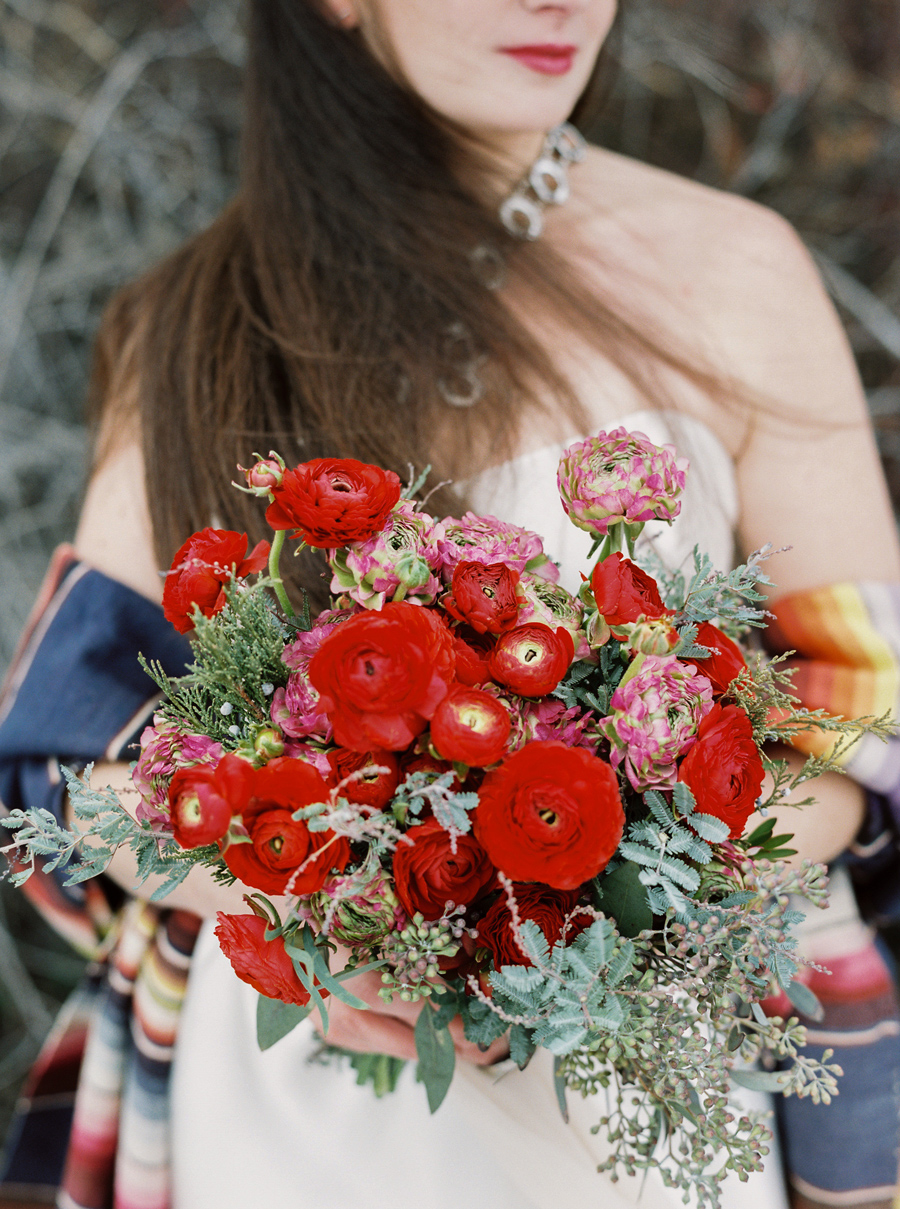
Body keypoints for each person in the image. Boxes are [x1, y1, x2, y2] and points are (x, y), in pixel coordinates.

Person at [1, 1, 899, 1207]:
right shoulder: (202, 322)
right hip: (298, 1113)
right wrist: (348, 914)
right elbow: (77, 764)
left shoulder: (734, 268)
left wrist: (592, 902)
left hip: (651, 1089)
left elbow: (860, 713)